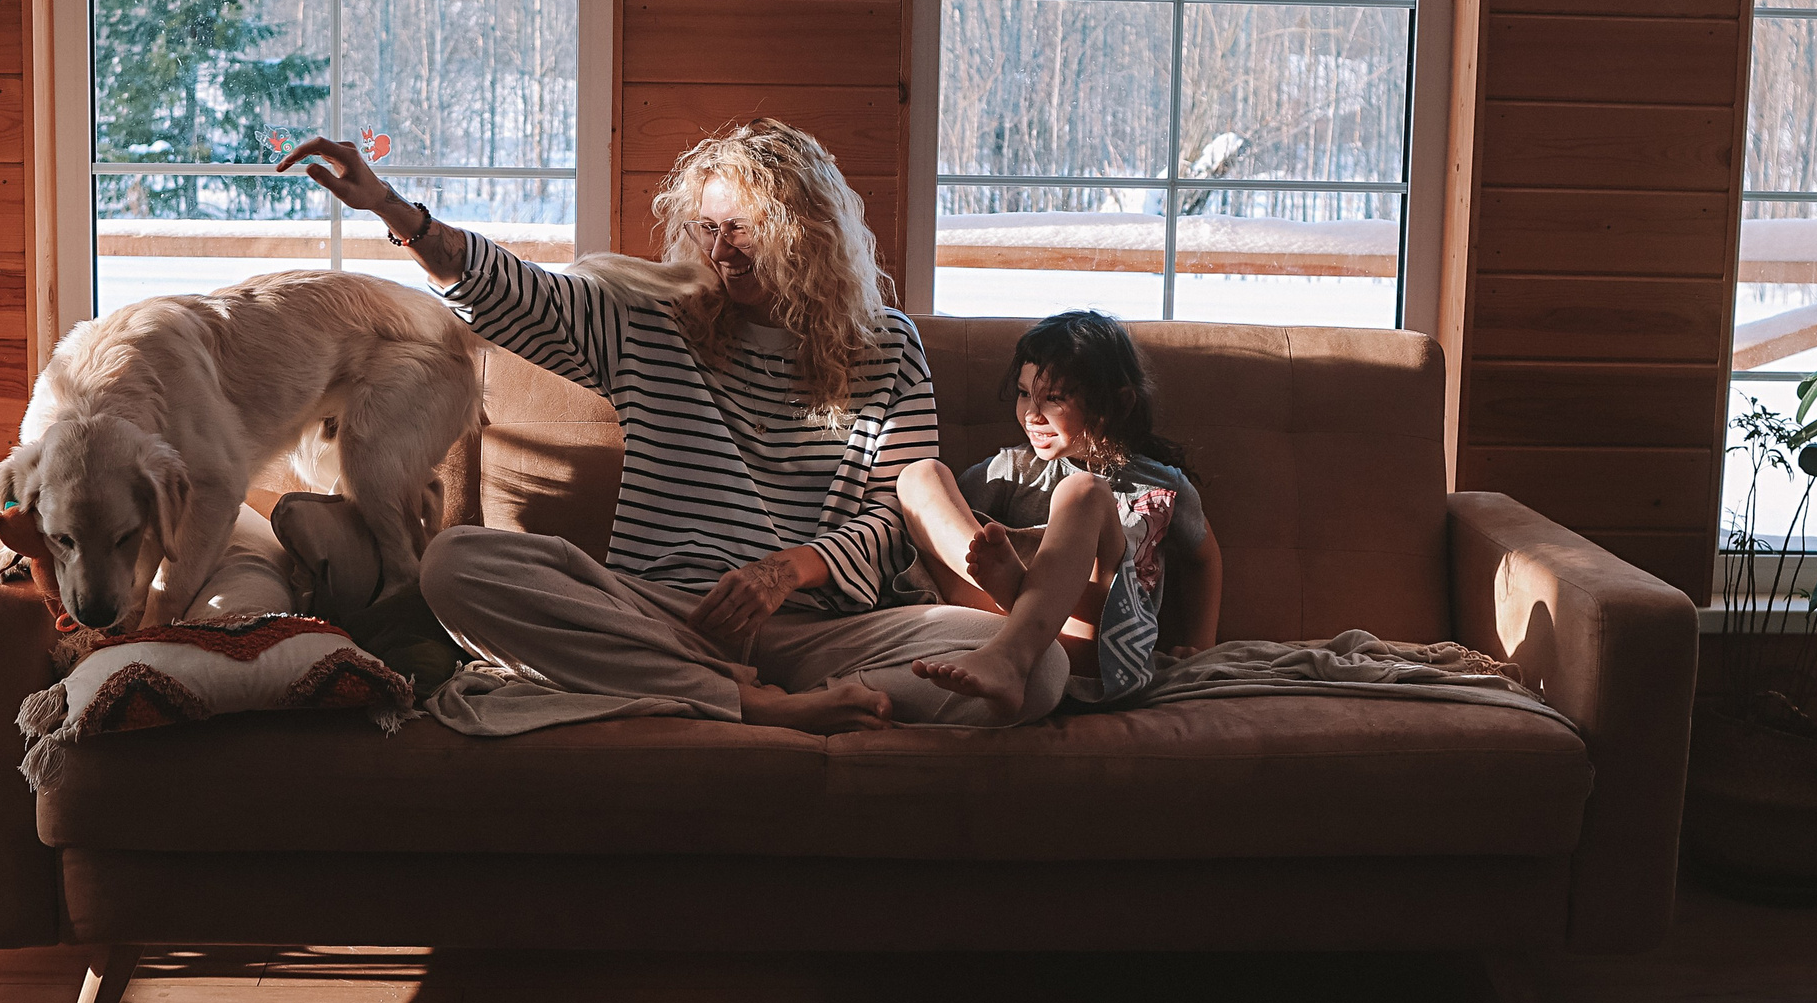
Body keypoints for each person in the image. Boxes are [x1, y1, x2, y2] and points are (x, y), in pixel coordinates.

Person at [274, 117, 1067, 734]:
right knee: (454, 565)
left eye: (743, 228)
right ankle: (747, 703)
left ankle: (782, 693)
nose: (720, 250)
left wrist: (784, 572)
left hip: (821, 628)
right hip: (654, 613)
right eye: (707, 227)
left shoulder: (887, 343)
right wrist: (395, 211)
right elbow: (514, 292)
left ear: (804, 230)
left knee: (1041, 673)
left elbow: (894, 520)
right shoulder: (652, 319)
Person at [896, 310, 1221, 718]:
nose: (1031, 415)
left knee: (1083, 491)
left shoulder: (1163, 485)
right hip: (1004, 632)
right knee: (921, 474)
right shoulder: (1013, 470)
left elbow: (1203, 558)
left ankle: (1013, 639)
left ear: (1116, 403)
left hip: (1096, 649)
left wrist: (1201, 643)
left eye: (1054, 398)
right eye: (1023, 393)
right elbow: (943, 526)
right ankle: (1020, 604)